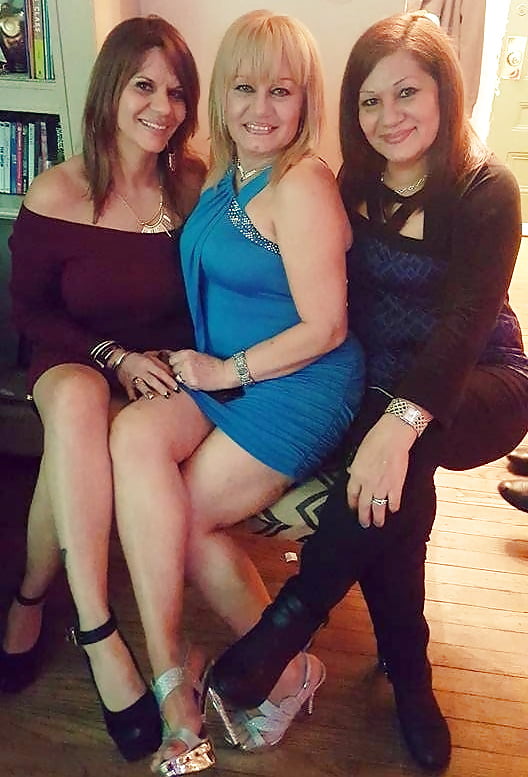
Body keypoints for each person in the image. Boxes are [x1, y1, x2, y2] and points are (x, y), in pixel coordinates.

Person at [206, 11, 528, 773]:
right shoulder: (349, 185)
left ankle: (292, 619)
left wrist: (399, 423)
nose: (390, 117)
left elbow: (461, 328)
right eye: (370, 101)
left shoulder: (487, 190)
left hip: (483, 379)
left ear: (444, 92)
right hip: (379, 385)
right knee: (396, 495)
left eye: (407, 93)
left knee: (398, 453)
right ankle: (410, 672)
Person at [109, 9, 364, 776]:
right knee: (132, 435)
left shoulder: (302, 182)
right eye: (245, 88)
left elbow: (326, 326)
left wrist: (226, 371)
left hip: (298, 383)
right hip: (229, 371)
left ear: (305, 99)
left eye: (281, 90)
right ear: (220, 95)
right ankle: (170, 668)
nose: (261, 108)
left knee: (184, 516)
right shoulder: (227, 170)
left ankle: (288, 671)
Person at [2, 16, 205, 762]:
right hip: (73, 354)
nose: (162, 107)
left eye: (177, 92)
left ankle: (29, 593)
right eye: (144, 85)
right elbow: (29, 311)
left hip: (164, 368)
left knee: (74, 448)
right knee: (79, 403)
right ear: (111, 89)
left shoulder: (193, 186)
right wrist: (111, 356)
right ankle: (97, 629)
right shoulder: (58, 190)